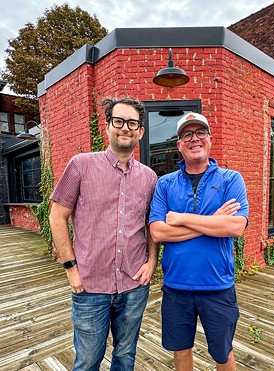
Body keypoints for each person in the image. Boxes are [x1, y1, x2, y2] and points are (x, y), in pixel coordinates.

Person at [49, 97, 158, 370]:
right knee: (87, 362)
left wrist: (152, 262)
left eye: (132, 123)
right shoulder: (81, 166)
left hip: (133, 285)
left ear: (140, 132)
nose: (125, 128)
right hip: (90, 286)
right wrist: (71, 269)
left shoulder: (149, 178)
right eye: (118, 121)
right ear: (107, 126)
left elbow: (150, 224)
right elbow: (57, 216)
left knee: (125, 357)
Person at [149, 112, 249, 371]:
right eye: (187, 135)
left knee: (222, 353)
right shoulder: (165, 184)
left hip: (218, 286)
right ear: (179, 144)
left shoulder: (230, 179)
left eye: (200, 132)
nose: (195, 139)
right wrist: (212, 221)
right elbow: (158, 232)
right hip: (176, 286)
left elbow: (235, 226)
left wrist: (182, 218)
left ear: (210, 139)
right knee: (181, 350)